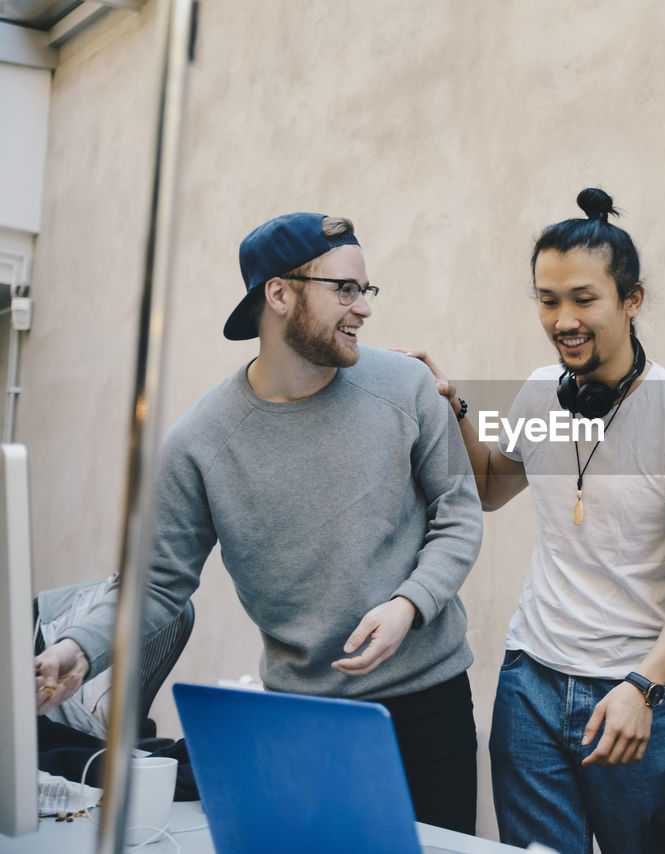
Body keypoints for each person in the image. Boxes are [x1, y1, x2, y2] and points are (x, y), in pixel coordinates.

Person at [33, 212, 484, 832]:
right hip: (302, 718)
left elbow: (459, 515)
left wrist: (408, 604)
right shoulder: (199, 442)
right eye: (345, 290)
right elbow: (158, 584)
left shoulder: (407, 387)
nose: (364, 309)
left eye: (365, 290)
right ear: (279, 293)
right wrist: (77, 647)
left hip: (430, 705)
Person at [406, 188, 665, 854]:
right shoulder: (538, 390)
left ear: (631, 300)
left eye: (584, 299)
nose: (563, 320)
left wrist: (645, 687)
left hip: (633, 691)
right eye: (548, 300)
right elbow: (496, 486)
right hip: (529, 684)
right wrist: (454, 410)